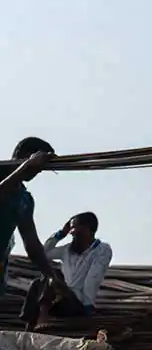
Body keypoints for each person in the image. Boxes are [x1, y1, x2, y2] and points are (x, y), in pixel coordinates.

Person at [21, 211, 112, 328]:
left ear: (86, 229)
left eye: (74, 228)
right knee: (38, 283)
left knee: (54, 275)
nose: (71, 233)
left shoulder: (102, 250)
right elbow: (43, 254)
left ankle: (43, 316)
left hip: (76, 302)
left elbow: (93, 277)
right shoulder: (68, 250)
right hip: (59, 299)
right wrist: (60, 234)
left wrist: (87, 305)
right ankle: (31, 324)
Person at [0, 138, 61, 298]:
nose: (37, 172)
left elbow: (32, 244)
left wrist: (51, 276)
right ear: (22, 155)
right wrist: (27, 165)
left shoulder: (24, 199)